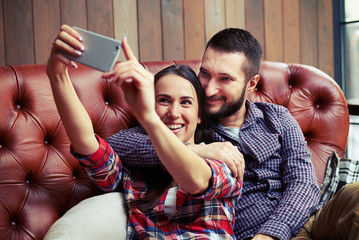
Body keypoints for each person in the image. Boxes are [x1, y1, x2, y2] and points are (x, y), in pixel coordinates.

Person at [115, 28, 321, 240]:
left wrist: (269, 235)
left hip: (306, 221)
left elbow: (303, 184)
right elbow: (118, 144)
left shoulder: (278, 117)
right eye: (205, 74)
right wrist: (196, 149)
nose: (209, 90)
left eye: (225, 79)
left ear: (251, 84)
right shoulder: (189, 120)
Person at [45, 25, 241, 239]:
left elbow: (197, 180)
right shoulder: (137, 173)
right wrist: (58, 76)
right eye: (163, 101)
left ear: (200, 114)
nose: (174, 113)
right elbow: (87, 144)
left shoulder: (224, 157)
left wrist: (150, 118)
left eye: (185, 102)